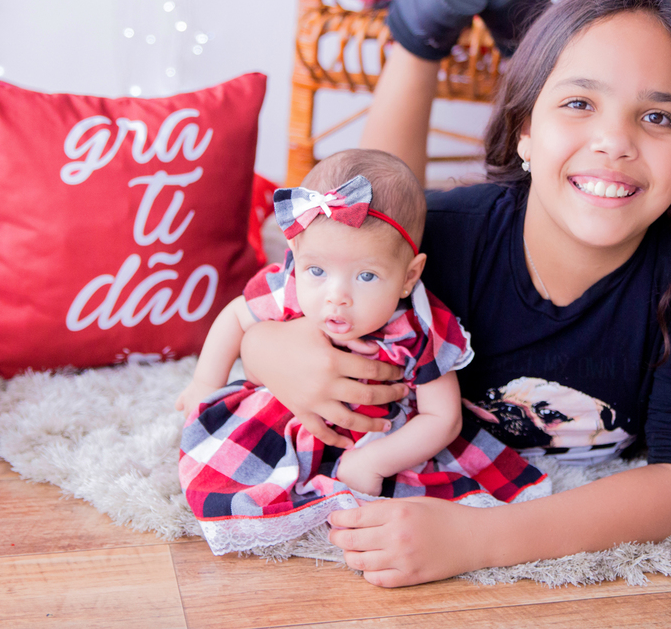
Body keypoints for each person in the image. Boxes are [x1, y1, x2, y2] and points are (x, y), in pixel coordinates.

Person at [245, 0, 671, 586]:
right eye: (579, 104)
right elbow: (308, 283)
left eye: (659, 117)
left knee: (561, 107)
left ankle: (526, 21)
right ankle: (425, 28)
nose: (616, 142)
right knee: (391, 205)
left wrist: (484, 539)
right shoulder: (453, 235)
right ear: (520, 135)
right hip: (470, 192)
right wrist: (268, 348)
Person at [177, 149, 548, 554]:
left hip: (378, 441)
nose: (337, 297)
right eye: (316, 271)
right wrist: (203, 382)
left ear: (409, 276)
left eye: (367, 275)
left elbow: (444, 418)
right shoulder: (289, 286)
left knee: (403, 517)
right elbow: (235, 316)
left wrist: (376, 462)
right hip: (287, 415)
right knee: (232, 472)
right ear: (296, 257)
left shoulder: (422, 326)